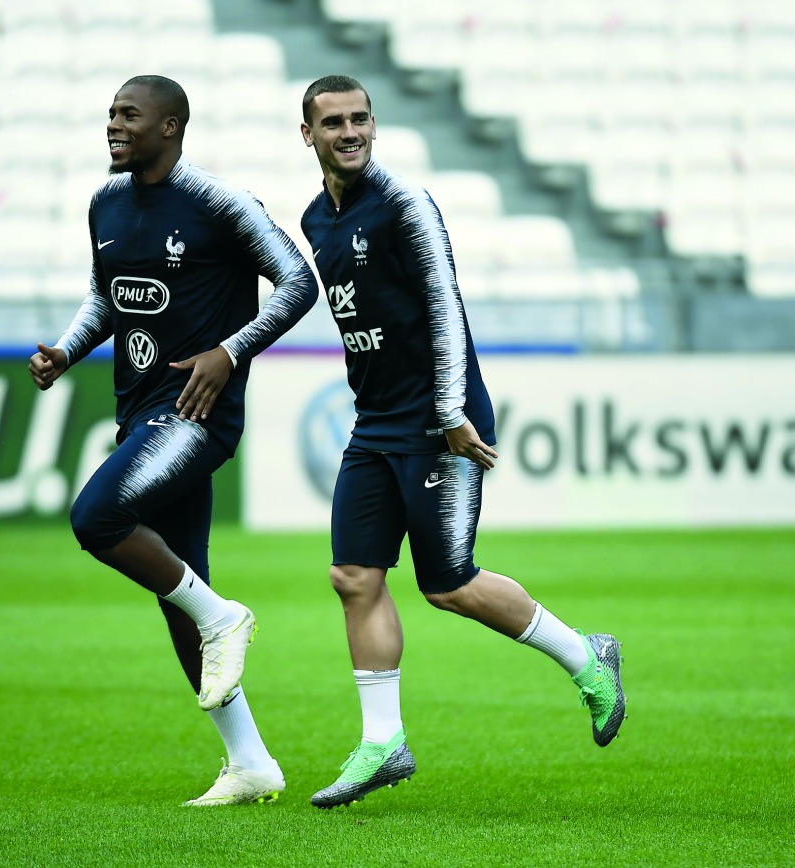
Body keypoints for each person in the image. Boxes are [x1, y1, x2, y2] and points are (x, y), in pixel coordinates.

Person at [297, 75, 626, 809]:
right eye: (333, 122)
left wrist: (449, 409)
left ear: (374, 125)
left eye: (360, 119)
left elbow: (445, 303)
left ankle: (588, 660)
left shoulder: (406, 204)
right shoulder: (315, 219)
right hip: (375, 421)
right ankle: (383, 742)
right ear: (308, 135)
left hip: (444, 420)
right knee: (354, 576)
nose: (349, 132)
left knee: (447, 583)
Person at [29, 75, 317, 806]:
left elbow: (295, 283)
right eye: (110, 115)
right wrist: (67, 350)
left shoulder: (220, 204)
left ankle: (225, 616)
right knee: (176, 590)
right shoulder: (106, 201)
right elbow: (108, 295)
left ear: (172, 125)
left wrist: (229, 352)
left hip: (196, 412)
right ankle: (249, 762)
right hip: (139, 410)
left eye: (129, 115)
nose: (114, 126)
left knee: (97, 518)